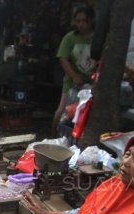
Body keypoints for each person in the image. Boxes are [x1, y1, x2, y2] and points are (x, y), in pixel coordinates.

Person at [53, 5, 96, 136]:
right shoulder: (70, 38)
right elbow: (62, 58)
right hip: (71, 82)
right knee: (62, 111)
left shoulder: (97, 38)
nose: (81, 24)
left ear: (91, 20)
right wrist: (74, 76)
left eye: (84, 20)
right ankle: (53, 137)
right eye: (78, 21)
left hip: (92, 83)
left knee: (85, 114)